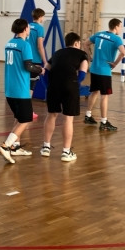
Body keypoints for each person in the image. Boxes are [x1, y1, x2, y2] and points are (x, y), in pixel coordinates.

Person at [0, 18, 43, 164]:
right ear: (24, 29)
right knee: (26, 119)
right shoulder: (25, 45)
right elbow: (28, 66)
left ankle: (15, 147)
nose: (29, 29)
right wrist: (39, 69)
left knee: (18, 118)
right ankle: (6, 146)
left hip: (9, 89)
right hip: (21, 89)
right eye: (28, 27)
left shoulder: (9, 43)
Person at [40, 32, 88, 162]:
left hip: (53, 86)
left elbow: (45, 71)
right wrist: (75, 84)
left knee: (51, 115)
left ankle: (46, 147)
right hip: (70, 85)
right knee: (68, 118)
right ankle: (66, 152)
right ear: (77, 43)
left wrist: (48, 86)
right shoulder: (82, 54)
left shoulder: (57, 53)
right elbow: (82, 74)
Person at [84, 18, 125, 131]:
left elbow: (85, 44)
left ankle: (88, 115)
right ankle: (104, 122)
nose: (121, 29)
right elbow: (123, 52)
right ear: (116, 27)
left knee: (94, 92)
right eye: (120, 26)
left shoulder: (99, 34)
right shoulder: (116, 39)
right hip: (104, 71)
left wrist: (89, 57)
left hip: (94, 69)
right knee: (104, 96)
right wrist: (115, 64)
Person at [27, 8, 48, 120]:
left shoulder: (27, 26)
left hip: (25, 58)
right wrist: (45, 61)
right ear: (40, 17)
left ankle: (23, 109)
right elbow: (40, 46)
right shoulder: (40, 28)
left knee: (25, 84)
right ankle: (28, 111)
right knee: (31, 87)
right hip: (34, 59)